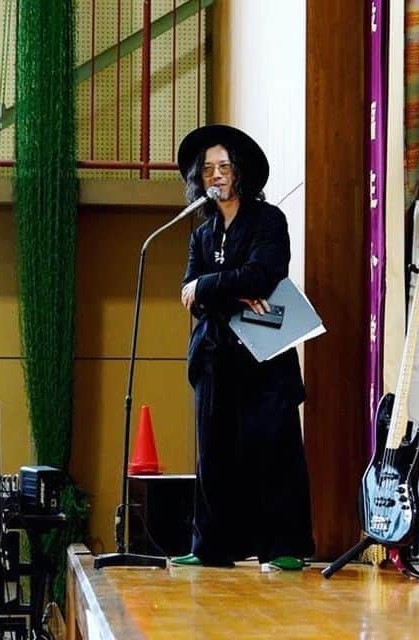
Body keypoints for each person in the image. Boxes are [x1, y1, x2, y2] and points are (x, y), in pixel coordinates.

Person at [171, 124, 315, 570]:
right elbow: (188, 296)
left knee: (273, 447)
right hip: (214, 356)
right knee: (212, 453)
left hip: (263, 355)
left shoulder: (268, 220)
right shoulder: (203, 233)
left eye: (223, 167)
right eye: (208, 169)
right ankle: (212, 546)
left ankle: (284, 547)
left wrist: (210, 287)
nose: (215, 176)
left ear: (241, 173)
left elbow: (263, 274)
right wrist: (220, 289)